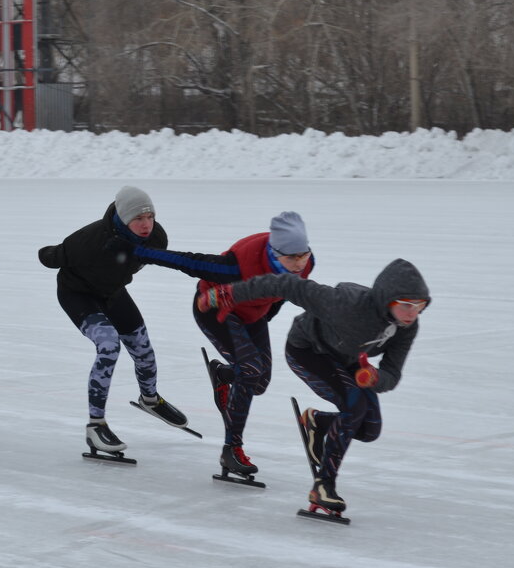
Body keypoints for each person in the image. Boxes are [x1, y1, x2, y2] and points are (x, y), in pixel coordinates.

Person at [199, 258, 429, 515]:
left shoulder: (408, 326)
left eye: (419, 306)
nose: (412, 312)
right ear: (387, 299)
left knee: (369, 428)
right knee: (355, 406)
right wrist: (231, 293)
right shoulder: (347, 304)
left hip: (349, 360)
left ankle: (317, 424)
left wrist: (375, 377)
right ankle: (323, 487)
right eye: (406, 305)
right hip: (306, 350)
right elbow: (288, 284)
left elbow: (392, 373)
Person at [127, 211, 315, 478]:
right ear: (274, 253)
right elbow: (188, 261)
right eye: (291, 258)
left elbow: (287, 289)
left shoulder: (307, 264)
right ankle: (231, 450)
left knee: (259, 382)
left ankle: (222, 373)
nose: (299, 264)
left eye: (303, 255)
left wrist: (267, 315)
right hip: (215, 308)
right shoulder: (236, 265)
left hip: (253, 313)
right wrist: (140, 252)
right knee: (251, 370)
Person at [38, 185, 189, 458]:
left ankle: (150, 399)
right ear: (123, 218)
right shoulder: (89, 240)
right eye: (138, 219)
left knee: (142, 347)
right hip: (78, 294)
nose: (145, 225)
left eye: (149, 217)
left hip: (112, 292)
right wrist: (48, 253)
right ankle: (96, 426)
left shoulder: (156, 237)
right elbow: (49, 257)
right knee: (109, 345)